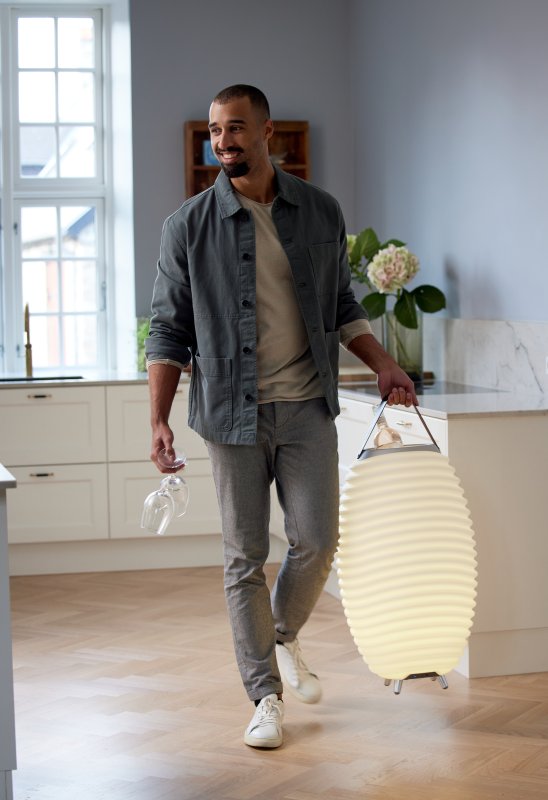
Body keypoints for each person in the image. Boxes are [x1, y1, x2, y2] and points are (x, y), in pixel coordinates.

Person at [145, 84, 417, 749]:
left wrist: (383, 361)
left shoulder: (319, 211)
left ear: (267, 132)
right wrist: (158, 419)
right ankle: (264, 695)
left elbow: (342, 305)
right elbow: (168, 331)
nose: (223, 141)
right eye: (215, 131)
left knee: (317, 540)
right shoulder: (187, 226)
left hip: (306, 406)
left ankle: (281, 633)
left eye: (236, 128)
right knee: (244, 557)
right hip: (229, 414)